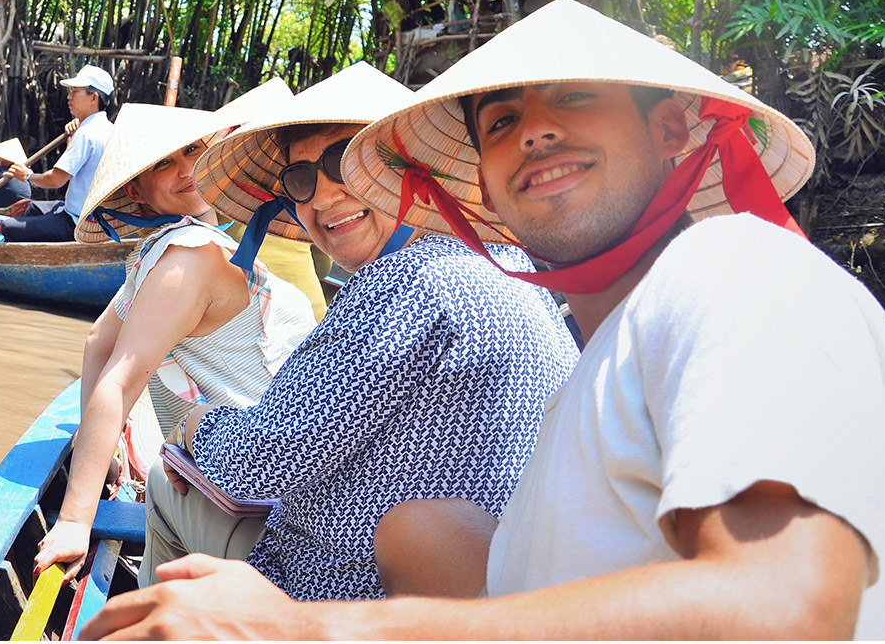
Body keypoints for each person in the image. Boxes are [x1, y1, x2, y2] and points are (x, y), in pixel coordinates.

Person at [84, 0, 885, 640]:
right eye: (503, 122)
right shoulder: (596, 350)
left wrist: (311, 627)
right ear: (474, 184)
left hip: (329, 599)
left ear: (673, 128)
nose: (536, 133)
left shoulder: (737, 271)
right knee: (425, 525)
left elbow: (788, 608)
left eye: (575, 98)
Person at [107, 61, 576, 602]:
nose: (324, 199)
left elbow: (259, 462)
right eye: (302, 181)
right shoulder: (507, 261)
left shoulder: (405, 282)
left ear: (410, 171)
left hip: (346, 588)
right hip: (478, 578)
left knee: (168, 480)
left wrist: (198, 425)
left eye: (345, 164)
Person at [32, 103, 317, 583]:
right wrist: (76, 517)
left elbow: (98, 342)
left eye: (192, 152)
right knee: (164, 475)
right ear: (134, 192)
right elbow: (116, 374)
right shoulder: (185, 256)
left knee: (167, 474)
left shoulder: (172, 251)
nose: (185, 169)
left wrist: (98, 446)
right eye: (163, 163)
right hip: (264, 501)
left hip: (265, 487)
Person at [211, 77, 329, 320]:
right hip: (312, 313)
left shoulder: (221, 191)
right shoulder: (309, 188)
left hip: (252, 319)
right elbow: (325, 265)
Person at [1, 64, 114, 242]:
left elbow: (56, 180)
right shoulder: (106, 129)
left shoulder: (87, 133)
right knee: (30, 209)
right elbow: (72, 164)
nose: (69, 97)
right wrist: (72, 135)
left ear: (94, 97)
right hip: (84, 215)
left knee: (8, 227)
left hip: (76, 223)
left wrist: (28, 176)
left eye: (75, 91)